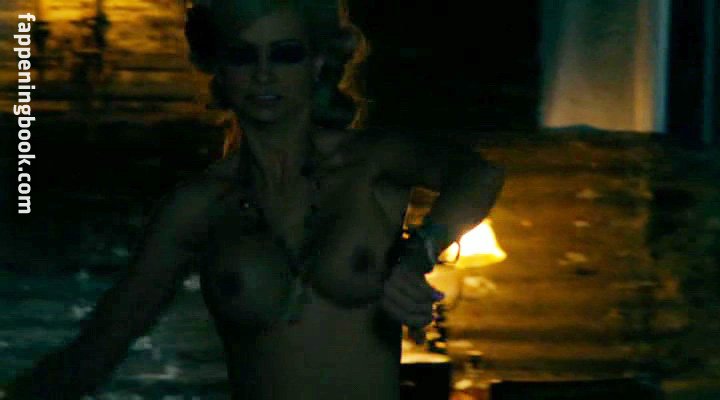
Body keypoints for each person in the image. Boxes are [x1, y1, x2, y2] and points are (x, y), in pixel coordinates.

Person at [3, 0, 504, 399]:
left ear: (317, 63)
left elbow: (477, 174)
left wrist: (418, 254)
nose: (264, 74)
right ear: (219, 69)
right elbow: (96, 350)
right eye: (244, 56)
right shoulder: (200, 204)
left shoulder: (370, 163)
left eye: (284, 54)